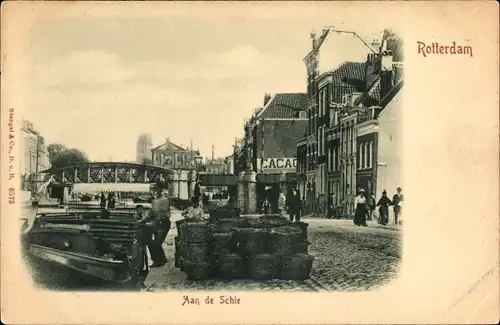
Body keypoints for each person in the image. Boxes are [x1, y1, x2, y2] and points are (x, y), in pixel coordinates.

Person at [139, 187, 170, 267]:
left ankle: (158, 261)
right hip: (159, 223)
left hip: (162, 223)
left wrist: (142, 220)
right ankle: (162, 259)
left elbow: (152, 213)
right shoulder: (160, 200)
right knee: (157, 242)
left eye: (157, 191)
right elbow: (151, 213)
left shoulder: (161, 201)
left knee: (156, 243)